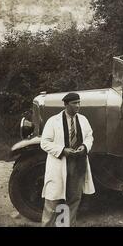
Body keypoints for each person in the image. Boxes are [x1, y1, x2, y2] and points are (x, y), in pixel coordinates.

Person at [40, 92, 95, 227]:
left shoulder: (83, 119)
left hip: (78, 165)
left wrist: (84, 146)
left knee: (74, 199)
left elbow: (90, 136)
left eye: (79, 102)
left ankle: (67, 225)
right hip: (60, 164)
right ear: (66, 104)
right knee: (53, 200)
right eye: (74, 103)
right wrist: (63, 150)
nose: (78, 106)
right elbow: (44, 142)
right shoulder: (53, 121)